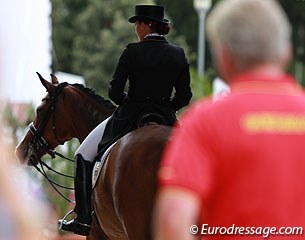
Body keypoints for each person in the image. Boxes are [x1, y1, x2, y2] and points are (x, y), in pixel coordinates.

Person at [154, 0, 305, 239]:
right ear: (285, 52)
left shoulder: (204, 121)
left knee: (90, 152)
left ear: (223, 57)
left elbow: (174, 219)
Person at [59, 4, 192, 236]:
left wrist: (130, 102)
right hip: (165, 116)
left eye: (137, 24)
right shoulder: (177, 53)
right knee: (194, 156)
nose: (136, 29)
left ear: (145, 25)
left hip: (130, 115)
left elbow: (114, 92)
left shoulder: (131, 51)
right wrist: (167, 107)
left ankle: (82, 219)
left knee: (83, 154)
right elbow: (184, 95)